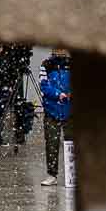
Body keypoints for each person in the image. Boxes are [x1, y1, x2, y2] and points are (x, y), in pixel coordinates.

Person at [40, 51, 73, 187]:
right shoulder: (46, 65)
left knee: (71, 144)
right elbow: (44, 85)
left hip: (70, 110)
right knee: (51, 143)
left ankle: (72, 175)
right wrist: (58, 94)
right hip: (52, 110)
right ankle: (52, 174)